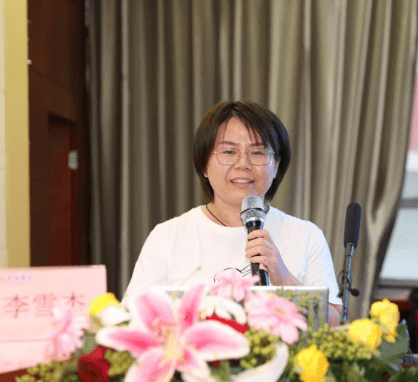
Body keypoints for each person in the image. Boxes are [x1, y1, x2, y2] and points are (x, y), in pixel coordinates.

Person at [122, 100, 342, 325]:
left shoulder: (305, 236)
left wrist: (284, 278)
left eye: (257, 152)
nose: (243, 164)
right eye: (229, 151)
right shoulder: (168, 236)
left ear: (276, 165)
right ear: (204, 165)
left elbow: (335, 322)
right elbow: (132, 318)